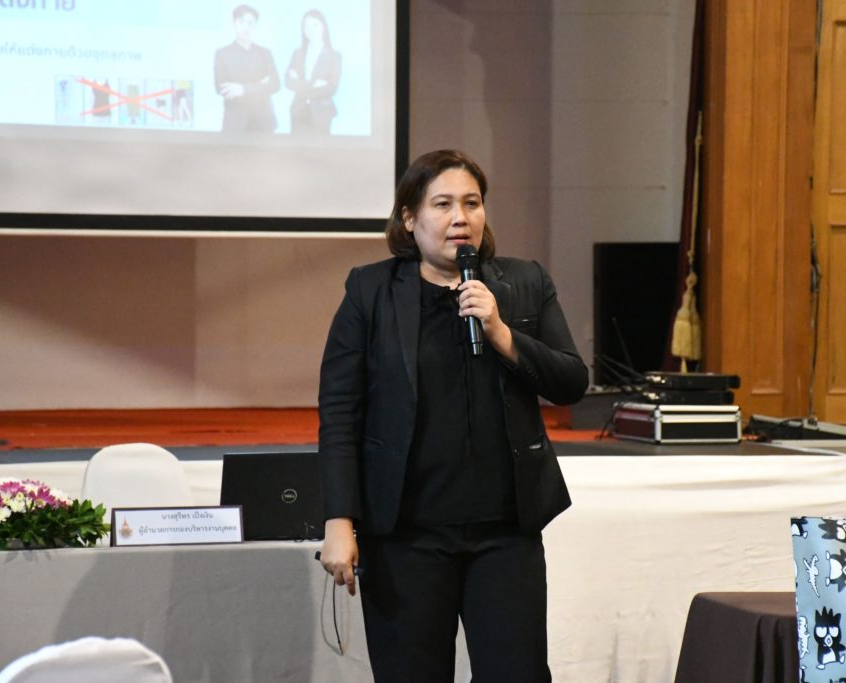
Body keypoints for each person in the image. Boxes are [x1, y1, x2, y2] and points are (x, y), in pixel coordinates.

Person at [317, 149, 588, 680]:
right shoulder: (370, 291)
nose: (460, 217)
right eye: (442, 204)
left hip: (504, 534)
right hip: (405, 536)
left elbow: (570, 382)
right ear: (409, 218)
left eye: (472, 203)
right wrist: (339, 520)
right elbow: (340, 413)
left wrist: (502, 334)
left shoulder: (523, 283)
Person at [213, 4, 280, 132]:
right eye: (241, 22)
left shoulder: (265, 54)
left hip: (264, 123)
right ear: (234, 23)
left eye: (250, 23)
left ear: (255, 26)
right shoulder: (222, 54)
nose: (246, 27)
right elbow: (222, 88)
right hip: (235, 124)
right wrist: (260, 86)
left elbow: (275, 84)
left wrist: (243, 89)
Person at [283, 9, 341, 135]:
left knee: (321, 147)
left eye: (315, 25)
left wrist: (300, 83)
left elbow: (331, 88)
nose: (310, 30)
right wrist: (313, 84)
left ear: (323, 27)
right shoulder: (297, 54)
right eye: (306, 26)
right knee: (296, 147)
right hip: (298, 111)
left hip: (322, 114)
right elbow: (288, 82)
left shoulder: (334, 56)